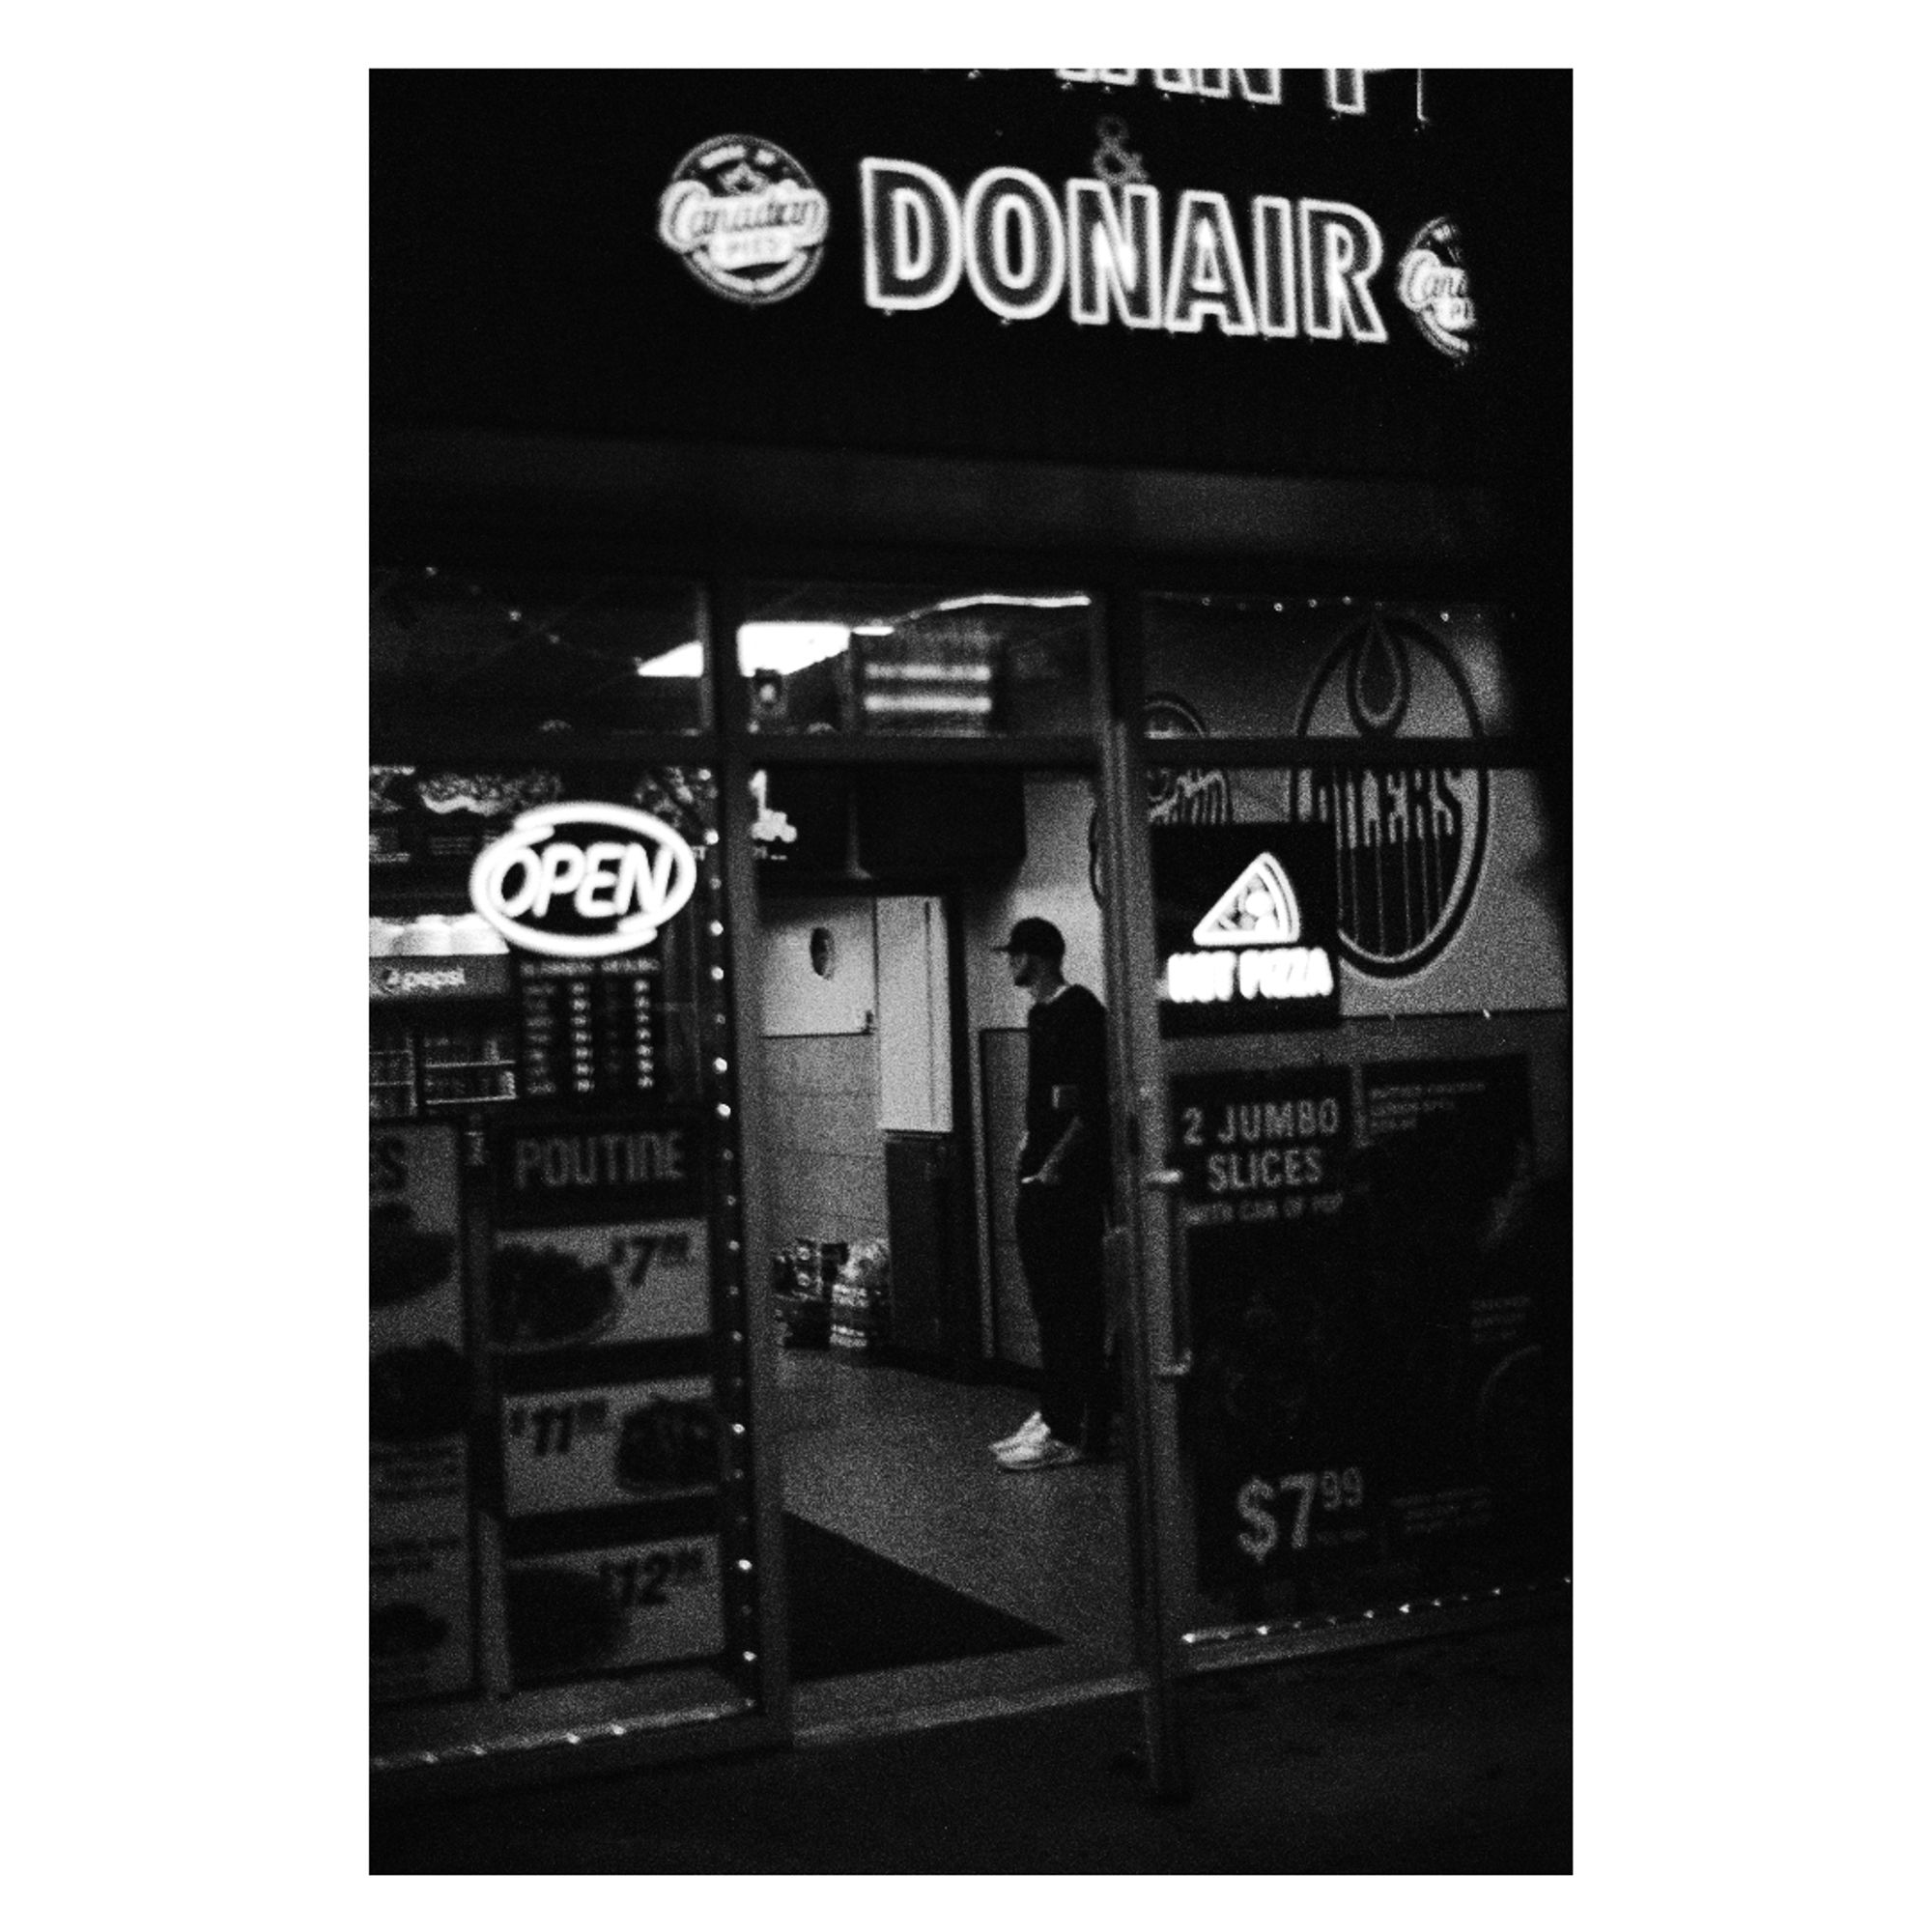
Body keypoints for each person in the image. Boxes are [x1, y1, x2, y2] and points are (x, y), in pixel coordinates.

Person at [987, 917, 1113, 1470]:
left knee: (1070, 1306)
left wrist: (1056, 1165)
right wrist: (1029, 1144)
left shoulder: (1081, 1012)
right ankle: (1053, 1409)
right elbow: (1050, 1099)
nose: (1010, 964)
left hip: (1068, 1185)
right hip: (1041, 1174)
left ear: (1034, 956)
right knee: (1046, 1304)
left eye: (1014, 954)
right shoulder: (1039, 1016)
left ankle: (1070, 1425)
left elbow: (1093, 1105)